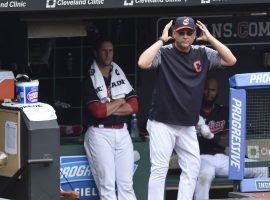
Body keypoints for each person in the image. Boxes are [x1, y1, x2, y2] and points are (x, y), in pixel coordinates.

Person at [138, 16, 237, 200]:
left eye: (189, 33)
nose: (185, 36)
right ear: (174, 34)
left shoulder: (202, 52)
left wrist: (210, 38)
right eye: (181, 32)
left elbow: (231, 60)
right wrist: (161, 39)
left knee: (192, 168)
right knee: (160, 169)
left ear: (194, 35)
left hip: (187, 124)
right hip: (162, 122)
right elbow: (143, 63)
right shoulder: (165, 51)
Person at [194, 77, 269, 200]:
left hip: (223, 158)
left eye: (212, 90)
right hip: (201, 158)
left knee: (261, 168)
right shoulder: (191, 112)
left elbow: (227, 141)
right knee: (205, 175)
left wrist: (210, 136)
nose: (209, 93)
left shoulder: (224, 111)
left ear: (217, 92)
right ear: (200, 90)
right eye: (205, 89)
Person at [83, 39, 138, 200]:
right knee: (107, 185)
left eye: (111, 50)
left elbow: (134, 106)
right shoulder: (89, 80)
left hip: (122, 132)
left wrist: (111, 106)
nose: (108, 54)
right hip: (100, 133)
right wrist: (121, 100)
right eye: (104, 51)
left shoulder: (119, 75)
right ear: (96, 53)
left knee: (126, 185)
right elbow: (99, 112)